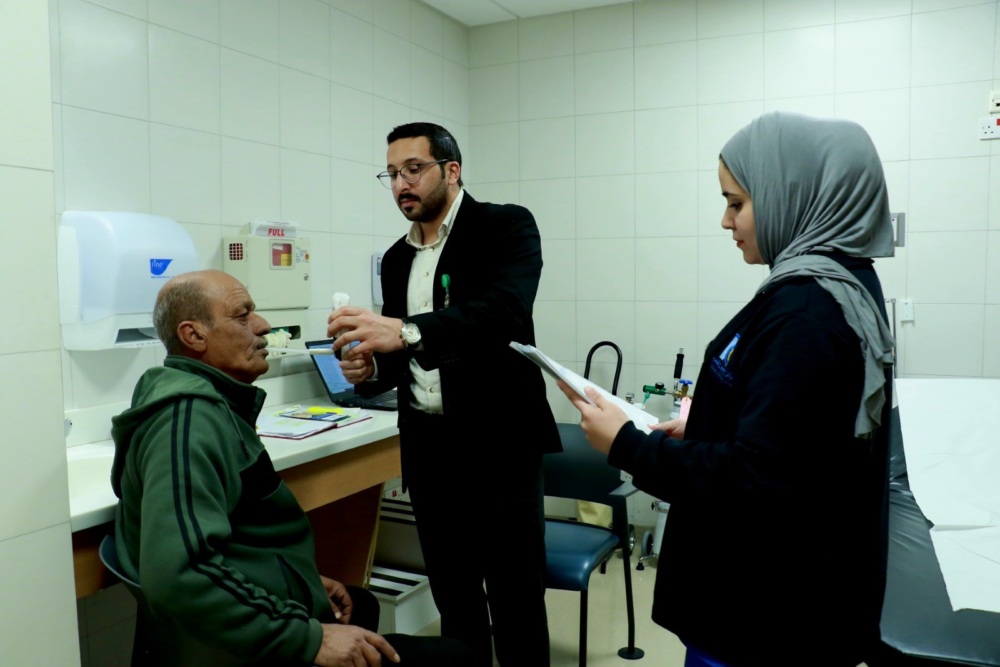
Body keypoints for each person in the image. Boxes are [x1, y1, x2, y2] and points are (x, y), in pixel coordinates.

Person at [559, 112, 896, 667]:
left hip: (761, 615)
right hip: (775, 600)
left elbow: (756, 479)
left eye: (736, 202)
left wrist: (626, 445)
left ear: (793, 195)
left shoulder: (806, 311)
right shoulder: (831, 287)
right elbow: (801, 438)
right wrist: (711, 421)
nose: (724, 220)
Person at [110, 269, 473, 667]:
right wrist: (308, 639)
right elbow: (181, 576)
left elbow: (237, 540)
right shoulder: (188, 421)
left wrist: (299, 581)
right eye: (243, 315)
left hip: (245, 619)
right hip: (237, 649)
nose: (264, 326)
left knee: (361, 603)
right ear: (194, 335)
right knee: (456, 656)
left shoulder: (209, 405)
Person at [326, 122, 561, 666]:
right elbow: (399, 360)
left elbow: (506, 311)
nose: (400, 184)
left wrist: (405, 330)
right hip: (431, 453)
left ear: (451, 171)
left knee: (516, 595)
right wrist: (369, 367)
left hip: (501, 446)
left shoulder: (505, 226)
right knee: (454, 595)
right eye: (391, 174)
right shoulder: (395, 258)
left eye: (413, 169)